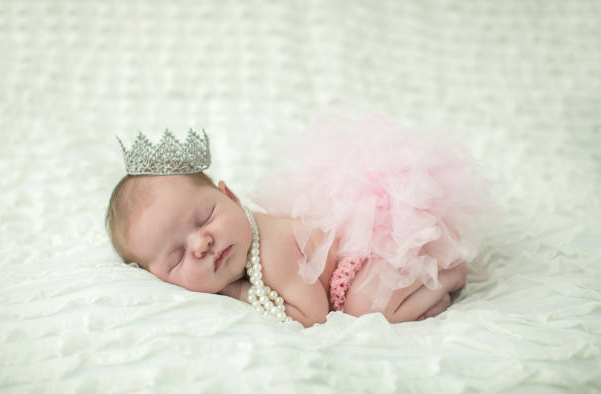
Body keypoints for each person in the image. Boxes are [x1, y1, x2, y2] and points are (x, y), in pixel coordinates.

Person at [106, 111, 498, 328]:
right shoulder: (240, 247)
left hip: (372, 256)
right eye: (176, 257)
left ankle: (445, 276)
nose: (201, 243)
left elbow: (311, 314)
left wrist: (237, 294)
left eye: (205, 217)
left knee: (366, 307)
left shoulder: (269, 251)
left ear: (229, 196)